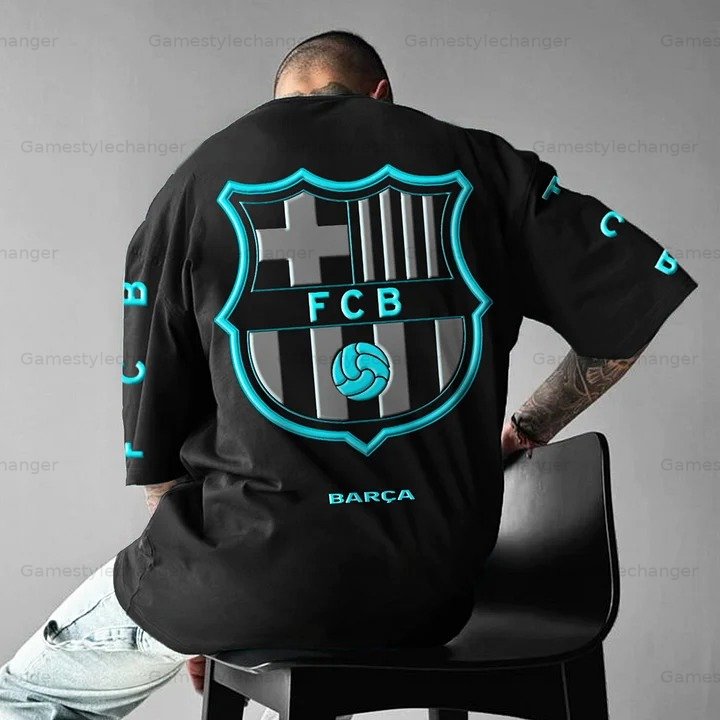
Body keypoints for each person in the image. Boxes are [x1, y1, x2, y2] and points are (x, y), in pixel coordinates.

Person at [0, 29, 697, 720]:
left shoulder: (195, 185)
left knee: (25, 698)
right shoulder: (485, 167)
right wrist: (525, 428)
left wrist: (192, 604)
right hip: (435, 595)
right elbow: (625, 315)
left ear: (280, 104)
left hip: (248, 575)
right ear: (380, 95)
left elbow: (157, 437)